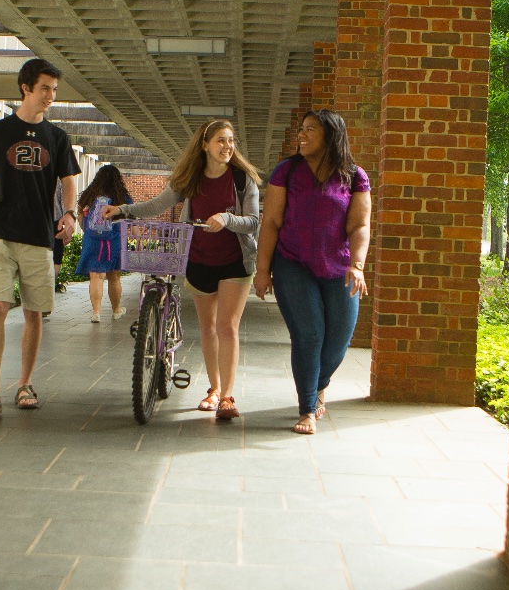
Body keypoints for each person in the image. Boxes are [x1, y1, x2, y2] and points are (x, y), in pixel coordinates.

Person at [110, 120, 261, 422]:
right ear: (205, 145)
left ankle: (228, 397)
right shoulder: (190, 179)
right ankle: (214, 390)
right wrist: (124, 210)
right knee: (207, 328)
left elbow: (253, 221)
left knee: (227, 327)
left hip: (235, 261)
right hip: (198, 260)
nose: (227, 147)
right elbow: (158, 204)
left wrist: (227, 219)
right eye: (220, 140)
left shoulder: (243, 180)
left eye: (231, 140)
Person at [0, 57, 80, 413]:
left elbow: (69, 180)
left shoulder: (57, 137)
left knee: (33, 312)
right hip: (1, 233)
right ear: (25, 88)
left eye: (54, 90)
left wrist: (70, 214)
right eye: (44, 88)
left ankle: (25, 384)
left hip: (39, 236)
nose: (50, 96)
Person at [253, 109, 371, 435]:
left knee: (338, 341)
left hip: (339, 266)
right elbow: (272, 222)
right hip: (293, 263)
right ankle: (307, 408)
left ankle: (317, 383)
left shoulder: (353, 175)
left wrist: (357, 265)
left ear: (331, 135)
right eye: (301, 129)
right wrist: (262, 270)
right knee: (308, 335)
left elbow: (360, 225)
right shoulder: (287, 171)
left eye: (311, 130)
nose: (301, 135)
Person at [74, 164, 133, 322]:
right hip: (114, 240)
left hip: (92, 241)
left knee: (96, 276)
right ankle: (115, 311)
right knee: (114, 277)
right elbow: (130, 218)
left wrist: (88, 230)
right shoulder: (121, 196)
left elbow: (80, 217)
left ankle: (96, 313)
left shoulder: (90, 195)